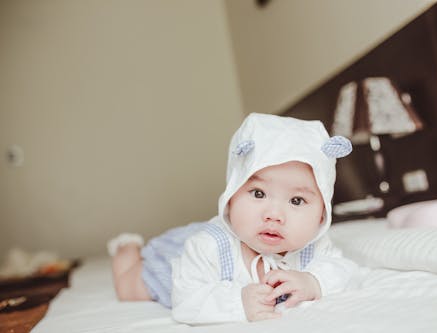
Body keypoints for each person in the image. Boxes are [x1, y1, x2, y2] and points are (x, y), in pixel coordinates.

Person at [107, 113, 358, 324]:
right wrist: (237, 303)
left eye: (296, 201)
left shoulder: (314, 246)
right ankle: (127, 247)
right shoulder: (206, 247)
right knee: (130, 288)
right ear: (231, 195)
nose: (274, 215)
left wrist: (314, 281)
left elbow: (345, 270)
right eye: (258, 193)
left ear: (322, 213)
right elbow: (185, 300)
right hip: (179, 258)